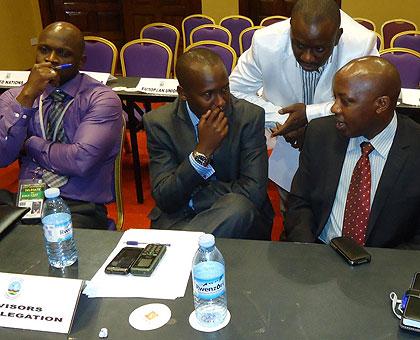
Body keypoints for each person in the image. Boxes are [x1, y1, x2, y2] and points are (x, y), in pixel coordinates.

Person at [229, 0, 378, 212]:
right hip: (289, 147)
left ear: (337, 36)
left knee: (335, 216)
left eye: (319, 49)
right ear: (290, 31)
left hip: (340, 147)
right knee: (291, 216)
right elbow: (234, 91)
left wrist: (308, 115)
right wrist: (285, 120)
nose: (307, 57)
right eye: (299, 45)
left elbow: (369, 101)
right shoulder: (266, 41)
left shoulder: (361, 44)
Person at [284, 56, 420, 249]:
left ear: (381, 104)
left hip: (386, 264)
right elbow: (300, 202)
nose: (334, 108)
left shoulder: (415, 148)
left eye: (346, 101)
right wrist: (309, 254)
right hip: (320, 253)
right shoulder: (320, 134)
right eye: (335, 98)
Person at [0, 22, 123, 229]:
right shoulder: (15, 96)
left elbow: (79, 160)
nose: (51, 60)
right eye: (44, 50)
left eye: (63, 53)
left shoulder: (101, 99)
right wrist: (28, 97)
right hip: (27, 198)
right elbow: (3, 156)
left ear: (80, 61)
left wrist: (30, 144)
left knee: (49, 242)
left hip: (79, 203)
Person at [143, 48, 274, 239]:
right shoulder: (160, 123)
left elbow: (253, 191)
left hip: (236, 218)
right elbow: (165, 196)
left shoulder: (248, 117)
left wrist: (194, 199)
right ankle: (188, 249)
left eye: (224, 89)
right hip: (179, 219)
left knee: (237, 206)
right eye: (208, 94)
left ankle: (180, 252)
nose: (221, 101)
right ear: (183, 93)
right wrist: (202, 153)